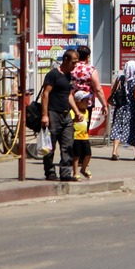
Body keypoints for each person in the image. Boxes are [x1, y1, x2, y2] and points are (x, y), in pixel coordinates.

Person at [40, 49, 80, 181]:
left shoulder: (68, 76)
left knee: (68, 144)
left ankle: (66, 173)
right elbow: (45, 94)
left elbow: (68, 95)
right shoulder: (53, 74)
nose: (75, 65)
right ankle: (50, 172)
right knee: (50, 146)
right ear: (66, 60)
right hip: (52, 114)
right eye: (73, 62)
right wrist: (45, 115)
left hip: (66, 114)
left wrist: (77, 111)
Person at [108, 60, 135, 161]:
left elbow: (113, 90)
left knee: (117, 128)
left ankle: (114, 151)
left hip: (119, 107)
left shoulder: (120, 78)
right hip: (131, 109)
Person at [71, 90, 93, 180]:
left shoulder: (87, 111)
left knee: (88, 154)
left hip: (85, 136)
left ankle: (83, 169)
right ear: (78, 102)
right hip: (76, 137)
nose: (88, 102)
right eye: (86, 100)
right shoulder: (73, 112)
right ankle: (75, 173)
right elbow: (71, 122)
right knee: (76, 156)